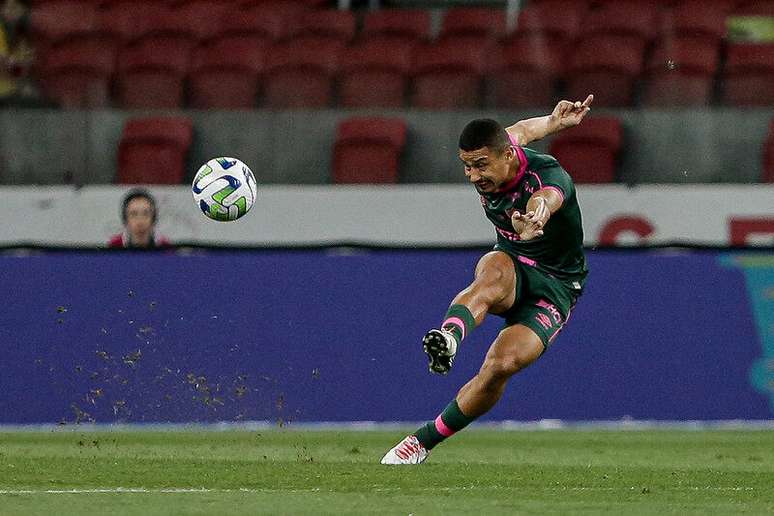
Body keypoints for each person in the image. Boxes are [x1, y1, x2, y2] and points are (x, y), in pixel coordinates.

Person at [381, 95, 594, 465]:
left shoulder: (550, 176)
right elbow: (525, 130)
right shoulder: (503, 149)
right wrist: (555, 121)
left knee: (502, 365)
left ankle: (423, 440)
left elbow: (547, 198)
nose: (474, 176)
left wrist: (535, 218)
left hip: (558, 287)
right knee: (492, 273)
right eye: (466, 167)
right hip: (513, 261)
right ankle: (449, 337)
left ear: (507, 157)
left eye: (481, 165)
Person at [0, 0, 37, 104]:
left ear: (24, 11)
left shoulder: (25, 34)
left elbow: (28, 61)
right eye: (6, 8)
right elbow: (4, 61)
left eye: (15, 8)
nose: (10, 12)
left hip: (14, 91)